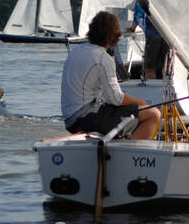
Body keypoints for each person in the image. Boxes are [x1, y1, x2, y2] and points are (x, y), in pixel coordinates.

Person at [62, 11, 158, 139]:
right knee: (153, 114)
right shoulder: (103, 58)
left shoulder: (76, 51)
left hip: (69, 118)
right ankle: (128, 154)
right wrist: (141, 102)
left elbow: (108, 98)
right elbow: (116, 98)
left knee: (127, 112)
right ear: (114, 36)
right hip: (84, 117)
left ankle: (122, 140)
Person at [129, 0, 170, 80]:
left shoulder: (141, 2)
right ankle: (164, 85)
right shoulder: (159, 1)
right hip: (166, 37)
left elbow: (137, 16)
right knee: (164, 65)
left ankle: (151, 86)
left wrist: (132, 29)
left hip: (153, 37)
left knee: (149, 68)